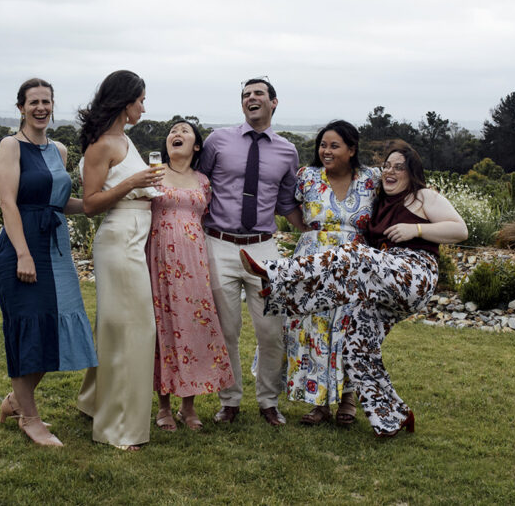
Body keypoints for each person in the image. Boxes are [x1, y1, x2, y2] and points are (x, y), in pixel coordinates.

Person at [240, 139, 468, 437]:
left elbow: (460, 229)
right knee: (356, 346)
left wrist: (417, 229)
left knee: (355, 255)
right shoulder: (380, 201)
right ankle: (392, 417)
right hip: (380, 283)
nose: (390, 171)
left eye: (399, 167)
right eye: (387, 165)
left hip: (413, 273)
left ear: (412, 173)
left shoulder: (423, 197)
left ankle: (278, 274)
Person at [0, 78, 97, 448]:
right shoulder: (11, 146)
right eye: (33, 101)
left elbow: (58, 202)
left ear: (53, 106)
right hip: (23, 246)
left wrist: (100, 202)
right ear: (20, 107)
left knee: (52, 328)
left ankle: (15, 399)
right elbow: (9, 203)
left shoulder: (61, 151)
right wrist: (22, 252)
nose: (41, 107)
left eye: (46, 101)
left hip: (56, 249)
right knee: (27, 329)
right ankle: (30, 418)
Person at [198, 76, 305, 427]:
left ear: (274, 102)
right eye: (246, 95)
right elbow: (197, 185)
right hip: (219, 244)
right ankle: (229, 400)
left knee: (271, 330)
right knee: (226, 330)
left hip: (264, 248)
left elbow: (287, 202)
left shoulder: (288, 151)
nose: (251, 98)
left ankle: (268, 402)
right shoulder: (218, 141)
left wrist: (315, 229)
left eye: (259, 93)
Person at [74, 70, 164, 451]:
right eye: (141, 100)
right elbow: (91, 203)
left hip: (134, 235)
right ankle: (119, 428)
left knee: (116, 325)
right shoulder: (101, 145)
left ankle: (95, 402)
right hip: (119, 238)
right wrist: (133, 182)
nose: (144, 107)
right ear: (125, 102)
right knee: (133, 329)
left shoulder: (123, 138)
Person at [285, 120, 379, 428]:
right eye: (323, 145)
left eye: (334, 145)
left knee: (350, 329)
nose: (326, 151)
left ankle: (349, 398)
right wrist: (310, 234)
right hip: (313, 263)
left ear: (352, 150)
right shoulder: (307, 177)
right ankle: (318, 402)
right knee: (314, 330)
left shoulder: (370, 179)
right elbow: (289, 206)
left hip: (356, 263)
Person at [148, 119, 233, 432]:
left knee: (194, 326)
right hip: (157, 259)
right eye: (172, 131)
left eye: (184, 131)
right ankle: (164, 406)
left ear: (197, 145)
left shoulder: (203, 180)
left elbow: (207, 217)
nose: (176, 134)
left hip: (194, 263)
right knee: (163, 327)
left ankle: (189, 406)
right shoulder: (154, 174)